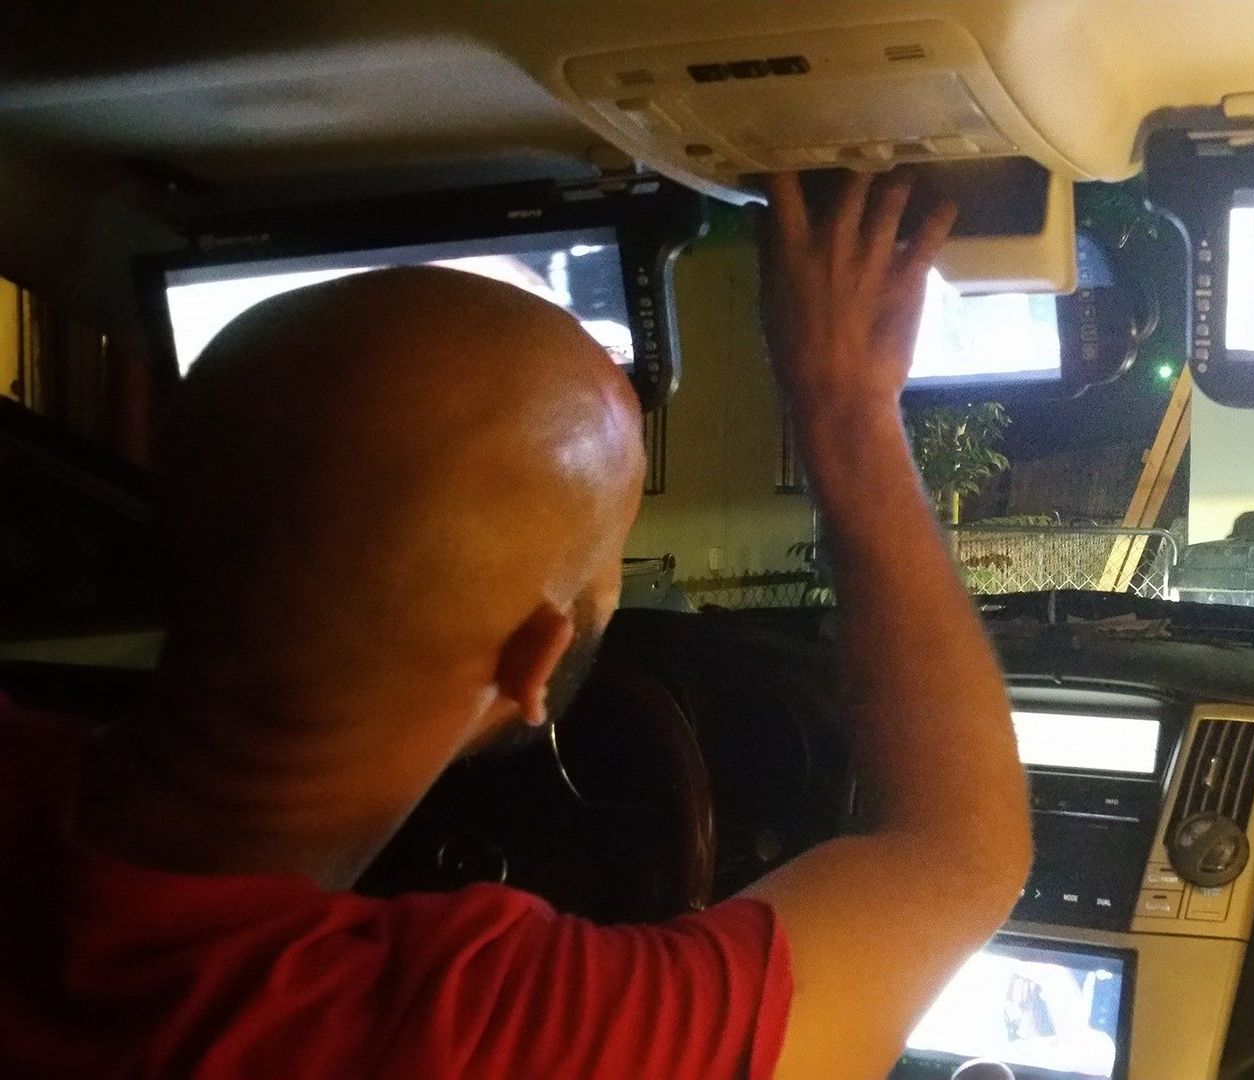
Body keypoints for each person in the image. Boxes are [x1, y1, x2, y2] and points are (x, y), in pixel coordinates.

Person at [0, 170, 1032, 1079]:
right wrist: (845, 403)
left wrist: (843, 406)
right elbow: (955, 853)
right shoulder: (469, 1034)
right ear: (531, 663)